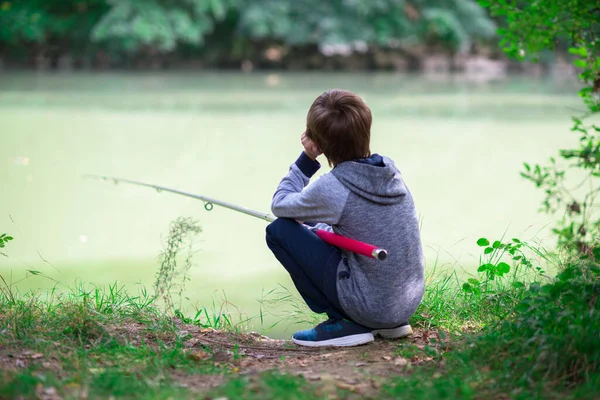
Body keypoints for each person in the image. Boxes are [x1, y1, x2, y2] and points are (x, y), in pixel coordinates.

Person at [265, 89, 424, 347]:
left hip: (370, 306)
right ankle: (385, 322)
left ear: (319, 142)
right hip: (404, 304)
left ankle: (344, 322)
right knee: (315, 227)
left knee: (279, 231)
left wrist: (307, 158)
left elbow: (280, 204)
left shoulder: (334, 187)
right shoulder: (391, 173)